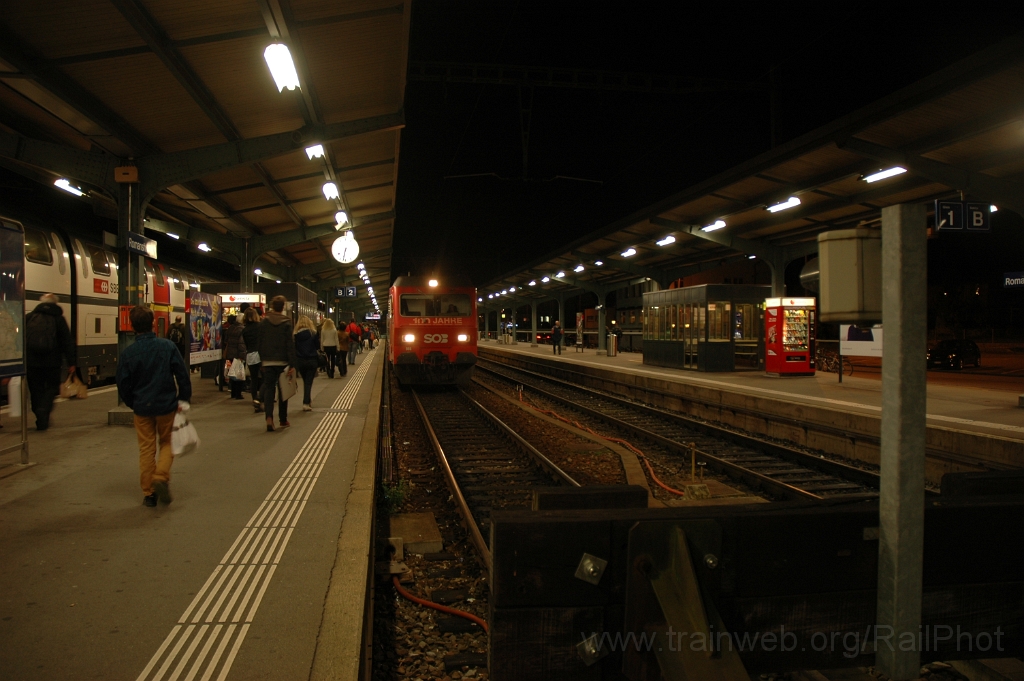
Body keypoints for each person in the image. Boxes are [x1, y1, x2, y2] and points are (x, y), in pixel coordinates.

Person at [115, 305, 192, 507]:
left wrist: (133, 403)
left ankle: (149, 493)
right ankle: (161, 476)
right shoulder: (167, 347)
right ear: (152, 324)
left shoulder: (128, 353)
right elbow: (182, 375)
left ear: (133, 326)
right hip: (166, 405)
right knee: (167, 443)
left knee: (146, 449)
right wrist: (183, 399)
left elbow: (122, 384)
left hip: (142, 408)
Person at [25, 293, 76, 431]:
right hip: (52, 363)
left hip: (31, 363)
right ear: (55, 304)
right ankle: (44, 410)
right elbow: (67, 342)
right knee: (51, 388)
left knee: (35, 390)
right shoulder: (58, 319)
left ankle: (39, 414)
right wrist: (71, 363)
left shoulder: (29, 318)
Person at [258, 296, 297, 432]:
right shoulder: (287, 322)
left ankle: (269, 418)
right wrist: (292, 364)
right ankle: (283, 419)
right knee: (283, 390)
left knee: (269, 389)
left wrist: (261, 360)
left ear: (272, 306)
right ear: (283, 307)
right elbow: (289, 345)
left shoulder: (264, 322)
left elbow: (260, 342)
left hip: (267, 360)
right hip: (283, 361)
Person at [294, 316, 319, 410]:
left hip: (300, 361)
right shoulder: (313, 333)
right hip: (312, 360)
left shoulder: (296, 335)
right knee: (308, 382)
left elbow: (294, 348)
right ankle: (306, 402)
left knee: (305, 381)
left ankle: (308, 400)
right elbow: (317, 346)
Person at [241, 307, 263, 413]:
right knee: (264, 378)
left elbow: (246, 344)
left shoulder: (245, 330)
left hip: (250, 355)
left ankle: (254, 399)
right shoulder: (260, 326)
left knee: (253, 379)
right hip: (260, 354)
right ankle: (260, 398)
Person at [223, 314, 247, 400]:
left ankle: (232, 392)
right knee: (239, 374)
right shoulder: (242, 329)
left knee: (232, 373)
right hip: (238, 354)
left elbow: (226, 341)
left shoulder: (230, 328)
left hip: (230, 353)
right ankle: (238, 394)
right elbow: (241, 344)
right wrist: (242, 355)